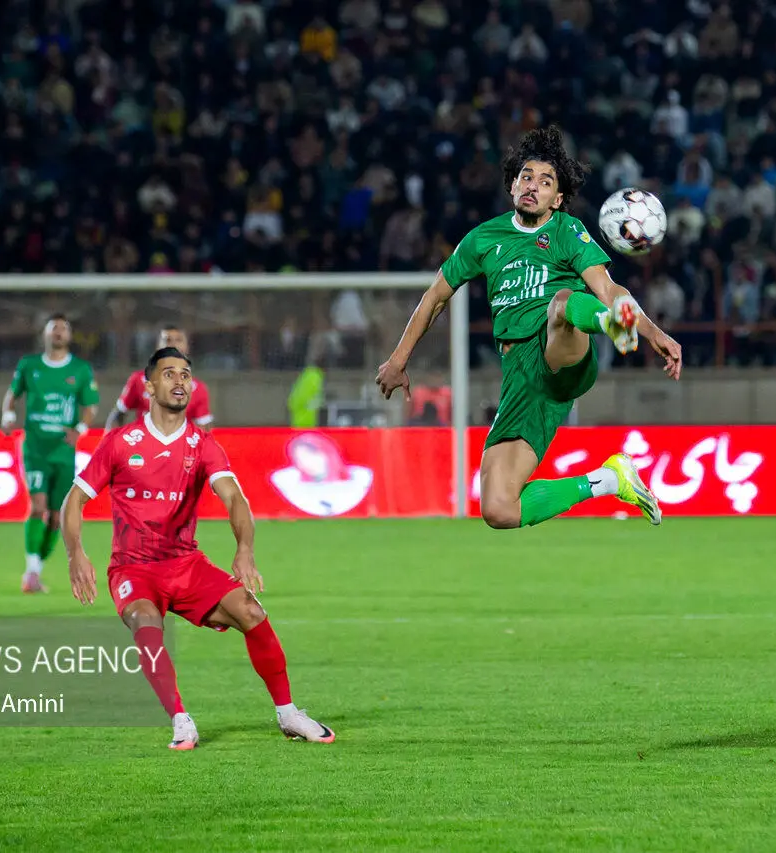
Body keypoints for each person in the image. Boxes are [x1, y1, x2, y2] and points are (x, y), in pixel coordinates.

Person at [375, 125, 683, 529]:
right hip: (522, 380)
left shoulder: (566, 230)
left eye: (545, 180)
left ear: (558, 198)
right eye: (526, 176)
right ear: (512, 185)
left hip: (564, 349)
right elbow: (434, 297)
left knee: (559, 305)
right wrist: (398, 360)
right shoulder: (483, 239)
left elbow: (607, 286)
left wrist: (651, 331)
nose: (532, 185)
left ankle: (612, 324)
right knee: (499, 509)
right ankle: (610, 479)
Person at [61, 347, 334, 750]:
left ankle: (289, 713)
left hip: (186, 565)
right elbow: (75, 501)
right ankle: (180, 720)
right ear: (149, 386)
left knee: (251, 611)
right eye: (169, 374)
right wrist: (75, 554)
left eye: (186, 375)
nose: (180, 381)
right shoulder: (120, 443)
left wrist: (244, 548)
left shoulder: (202, 445)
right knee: (146, 625)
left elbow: (235, 498)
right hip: (133, 570)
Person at [1, 314, 99, 593]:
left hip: (64, 450)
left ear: (69, 336)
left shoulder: (80, 370)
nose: (58, 332)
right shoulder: (29, 365)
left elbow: (90, 405)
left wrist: (80, 428)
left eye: (63, 328)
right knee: (38, 507)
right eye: (53, 327)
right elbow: (12, 394)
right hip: (35, 446)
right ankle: (31, 571)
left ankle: (36, 568)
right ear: (44, 334)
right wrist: (8, 415)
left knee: (57, 516)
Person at [105, 325, 213, 432]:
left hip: (178, 447)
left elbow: (204, 429)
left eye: (178, 340)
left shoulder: (197, 388)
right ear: (158, 346)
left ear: (187, 346)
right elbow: (119, 414)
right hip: (143, 447)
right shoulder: (139, 380)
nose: (173, 344)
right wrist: (109, 443)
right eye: (167, 340)